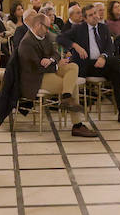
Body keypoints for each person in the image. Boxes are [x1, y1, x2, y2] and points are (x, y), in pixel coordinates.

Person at [60, 4, 120, 127]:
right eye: (91, 15)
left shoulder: (103, 28)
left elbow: (109, 47)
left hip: (102, 63)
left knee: (117, 75)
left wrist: (103, 56)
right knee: (115, 62)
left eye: (95, 13)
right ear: (85, 18)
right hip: (86, 65)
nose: (95, 16)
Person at [17, 10, 95, 138]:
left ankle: (66, 96)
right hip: (36, 77)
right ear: (37, 25)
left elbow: (55, 53)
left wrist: (52, 60)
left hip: (50, 68)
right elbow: (36, 67)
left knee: (73, 66)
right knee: (72, 85)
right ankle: (77, 125)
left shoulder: (44, 36)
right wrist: (56, 64)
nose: (48, 30)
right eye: (46, 27)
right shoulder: (26, 42)